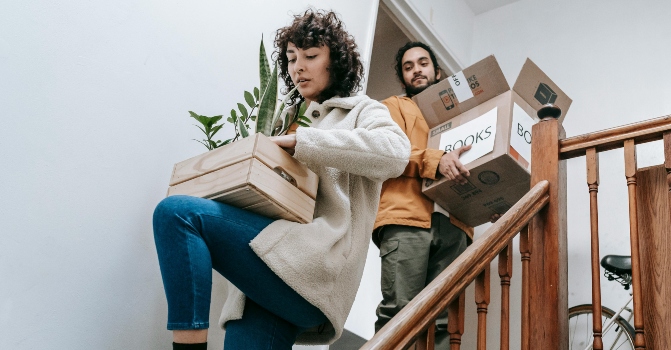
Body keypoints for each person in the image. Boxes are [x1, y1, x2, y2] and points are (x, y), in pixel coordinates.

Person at [153, 9, 410, 350]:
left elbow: (396, 153)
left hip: (309, 266)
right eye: (291, 58)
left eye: (311, 56)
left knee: (178, 214)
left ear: (336, 61)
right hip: (264, 280)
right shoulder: (284, 117)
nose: (298, 67)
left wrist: (301, 142)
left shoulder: (362, 110)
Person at [372, 41, 475, 349]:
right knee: (398, 313)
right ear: (403, 77)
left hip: (455, 225)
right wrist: (435, 160)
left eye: (423, 63)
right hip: (406, 220)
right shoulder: (391, 107)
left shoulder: (464, 115)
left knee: (443, 323)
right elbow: (388, 152)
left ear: (436, 70)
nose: (417, 69)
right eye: (408, 66)